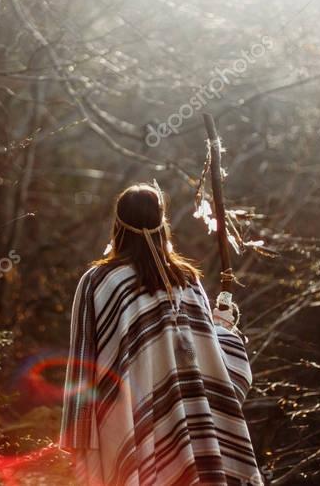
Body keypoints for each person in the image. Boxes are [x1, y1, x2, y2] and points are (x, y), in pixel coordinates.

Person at [60, 183, 263, 485]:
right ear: (162, 224)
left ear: (118, 225)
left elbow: (83, 362)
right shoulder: (187, 280)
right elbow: (217, 365)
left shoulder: (98, 281)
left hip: (127, 425)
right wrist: (223, 327)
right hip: (192, 435)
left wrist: (78, 435)